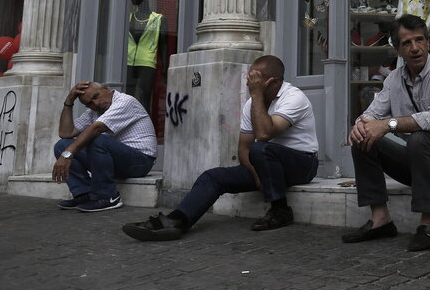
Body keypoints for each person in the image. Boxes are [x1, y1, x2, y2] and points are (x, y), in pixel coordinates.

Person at [121, 55, 319, 241]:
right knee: (213, 177)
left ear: (274, 82)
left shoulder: (293, 97)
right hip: (265, 165)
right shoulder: (252, 103)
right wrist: (258, 176)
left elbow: (265, 134)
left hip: (302, 164)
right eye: (250, 77)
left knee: (261, 149)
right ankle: (177, 220)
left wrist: (257, 96)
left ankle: (281, 210)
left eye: (256, 79)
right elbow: (243, 149)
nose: (250, 83)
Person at [343, 14, 430, 251]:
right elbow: (372, 113)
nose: (415, 48)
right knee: (363, 138)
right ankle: (380, 219)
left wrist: (387, 125)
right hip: (420, 163)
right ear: (397, 49)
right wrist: (360, 125)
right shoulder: (394, 79)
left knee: (419, 138)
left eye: (420, 40)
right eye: (407, 43)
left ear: (428, 42)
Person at [52, 81, 157, 212]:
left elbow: (96, 129)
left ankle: (107, 197)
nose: (95, 104)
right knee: (62, 145)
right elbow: (66, 133)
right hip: (116, 161)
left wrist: (67, 154)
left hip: (141, 161)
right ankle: (84, 194)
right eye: (89, 103)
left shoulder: (125, 101)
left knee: (97, 139)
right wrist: (68, 102)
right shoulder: (94, 112)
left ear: (107, 89)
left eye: (96, 96)